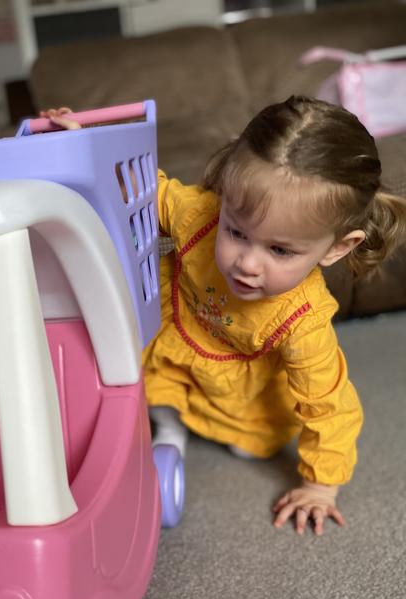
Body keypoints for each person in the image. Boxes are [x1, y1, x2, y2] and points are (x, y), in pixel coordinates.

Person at [41, 98, 406, 535]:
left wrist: (321, 485)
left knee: (251, 446)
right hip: (175, 343)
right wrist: (80, 148)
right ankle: (167, 428)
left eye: (279, 250)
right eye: (236, 232)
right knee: (135, 387)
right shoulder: (198, 214)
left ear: (337, 248)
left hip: (241, 395)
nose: (247, 263)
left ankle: (196, 426)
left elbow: (329, 404)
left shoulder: (303, 322)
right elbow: (136, 191)